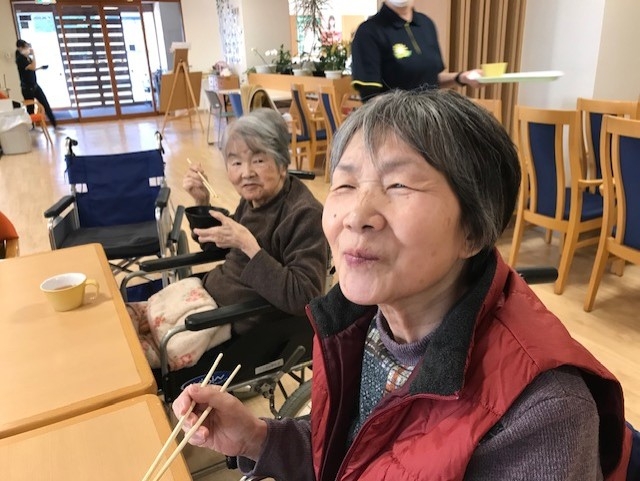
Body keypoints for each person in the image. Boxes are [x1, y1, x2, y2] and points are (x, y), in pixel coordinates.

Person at [171, 90, 634, 480]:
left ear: (473, 230)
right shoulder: (366, 322)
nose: (356, 215)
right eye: (345, 185)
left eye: (399, 186)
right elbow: (358, 451)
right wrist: (258, 438)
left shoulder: (542, 416)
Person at [127, 108, 327, 370]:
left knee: (137, 361)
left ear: (282, 163)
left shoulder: (304, 215)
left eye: (258, 160)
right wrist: (201, 201)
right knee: (124, 327)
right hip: (207, 300)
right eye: (236, 163)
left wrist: (249, 246)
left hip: (241, 328)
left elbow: (305, 297)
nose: (246, 173)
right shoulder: (254, 199)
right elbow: (218, 244)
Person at [350, 0, 482, 102]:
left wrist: (461, 77)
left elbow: (431, 80)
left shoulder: (426, 24)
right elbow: (370, 98)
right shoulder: (368, 32)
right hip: (394, 123)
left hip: (431, 115)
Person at [14, 39, 58, 128]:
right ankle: (32, 127)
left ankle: (55, 125)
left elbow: (31, 70)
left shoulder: (27, 58)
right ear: (20, 48)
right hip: (27, 89)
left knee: (45, 104)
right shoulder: (20, 59)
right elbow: (33, 67)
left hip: (35, 86)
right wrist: (33, 54)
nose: (27, 49)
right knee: (30, 109)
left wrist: (40, 68)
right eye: (25, 47)